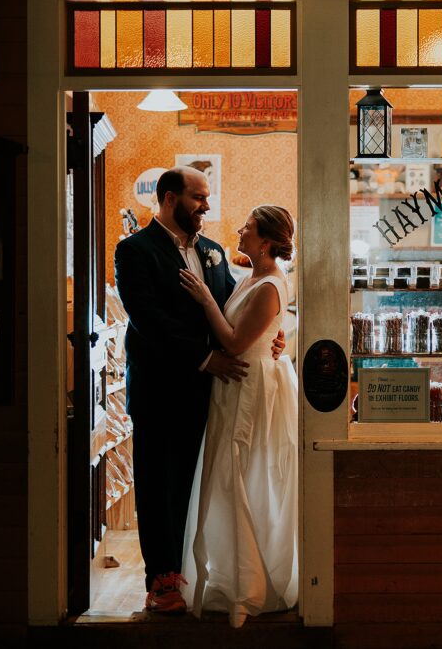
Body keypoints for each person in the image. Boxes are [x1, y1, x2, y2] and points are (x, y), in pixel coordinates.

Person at [114, 166, 285, 615]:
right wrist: (204, 357)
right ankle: (162, 579)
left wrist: (271, 334)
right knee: (157, 482)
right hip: (159, 385)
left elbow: (232, 309)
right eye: (198, 197)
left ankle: (193, 567)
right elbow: (147, 317)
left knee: (193, 484)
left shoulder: (212, 251)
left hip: (209, 391)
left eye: (206, 198)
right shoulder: (134, 250)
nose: (207, 206)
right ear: (170, 199)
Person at [178, 205, 299, 628]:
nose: (239, 232)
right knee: (229, 481)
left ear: (265, 241)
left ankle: (249, 589)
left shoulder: (269, 286)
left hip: (249, 390)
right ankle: (231, 578)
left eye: (247, 229)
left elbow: (233, 341)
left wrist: (205, 297)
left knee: (243, 480)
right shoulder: (251, 277)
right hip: (233, 388)